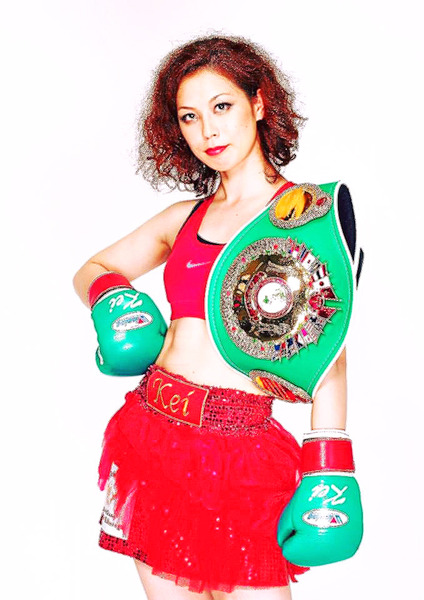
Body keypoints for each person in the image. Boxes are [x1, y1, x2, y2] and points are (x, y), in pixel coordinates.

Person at [73, 35, 363, 600]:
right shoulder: (183, 218)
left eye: (222, 106)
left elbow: (330, 348)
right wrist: (110, 297)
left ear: (259, 103)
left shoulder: (310, 218)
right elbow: (93, 268)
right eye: (190, 116)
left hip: (243, 451)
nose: (208, 130)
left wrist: (330, 460)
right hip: (152, 434)